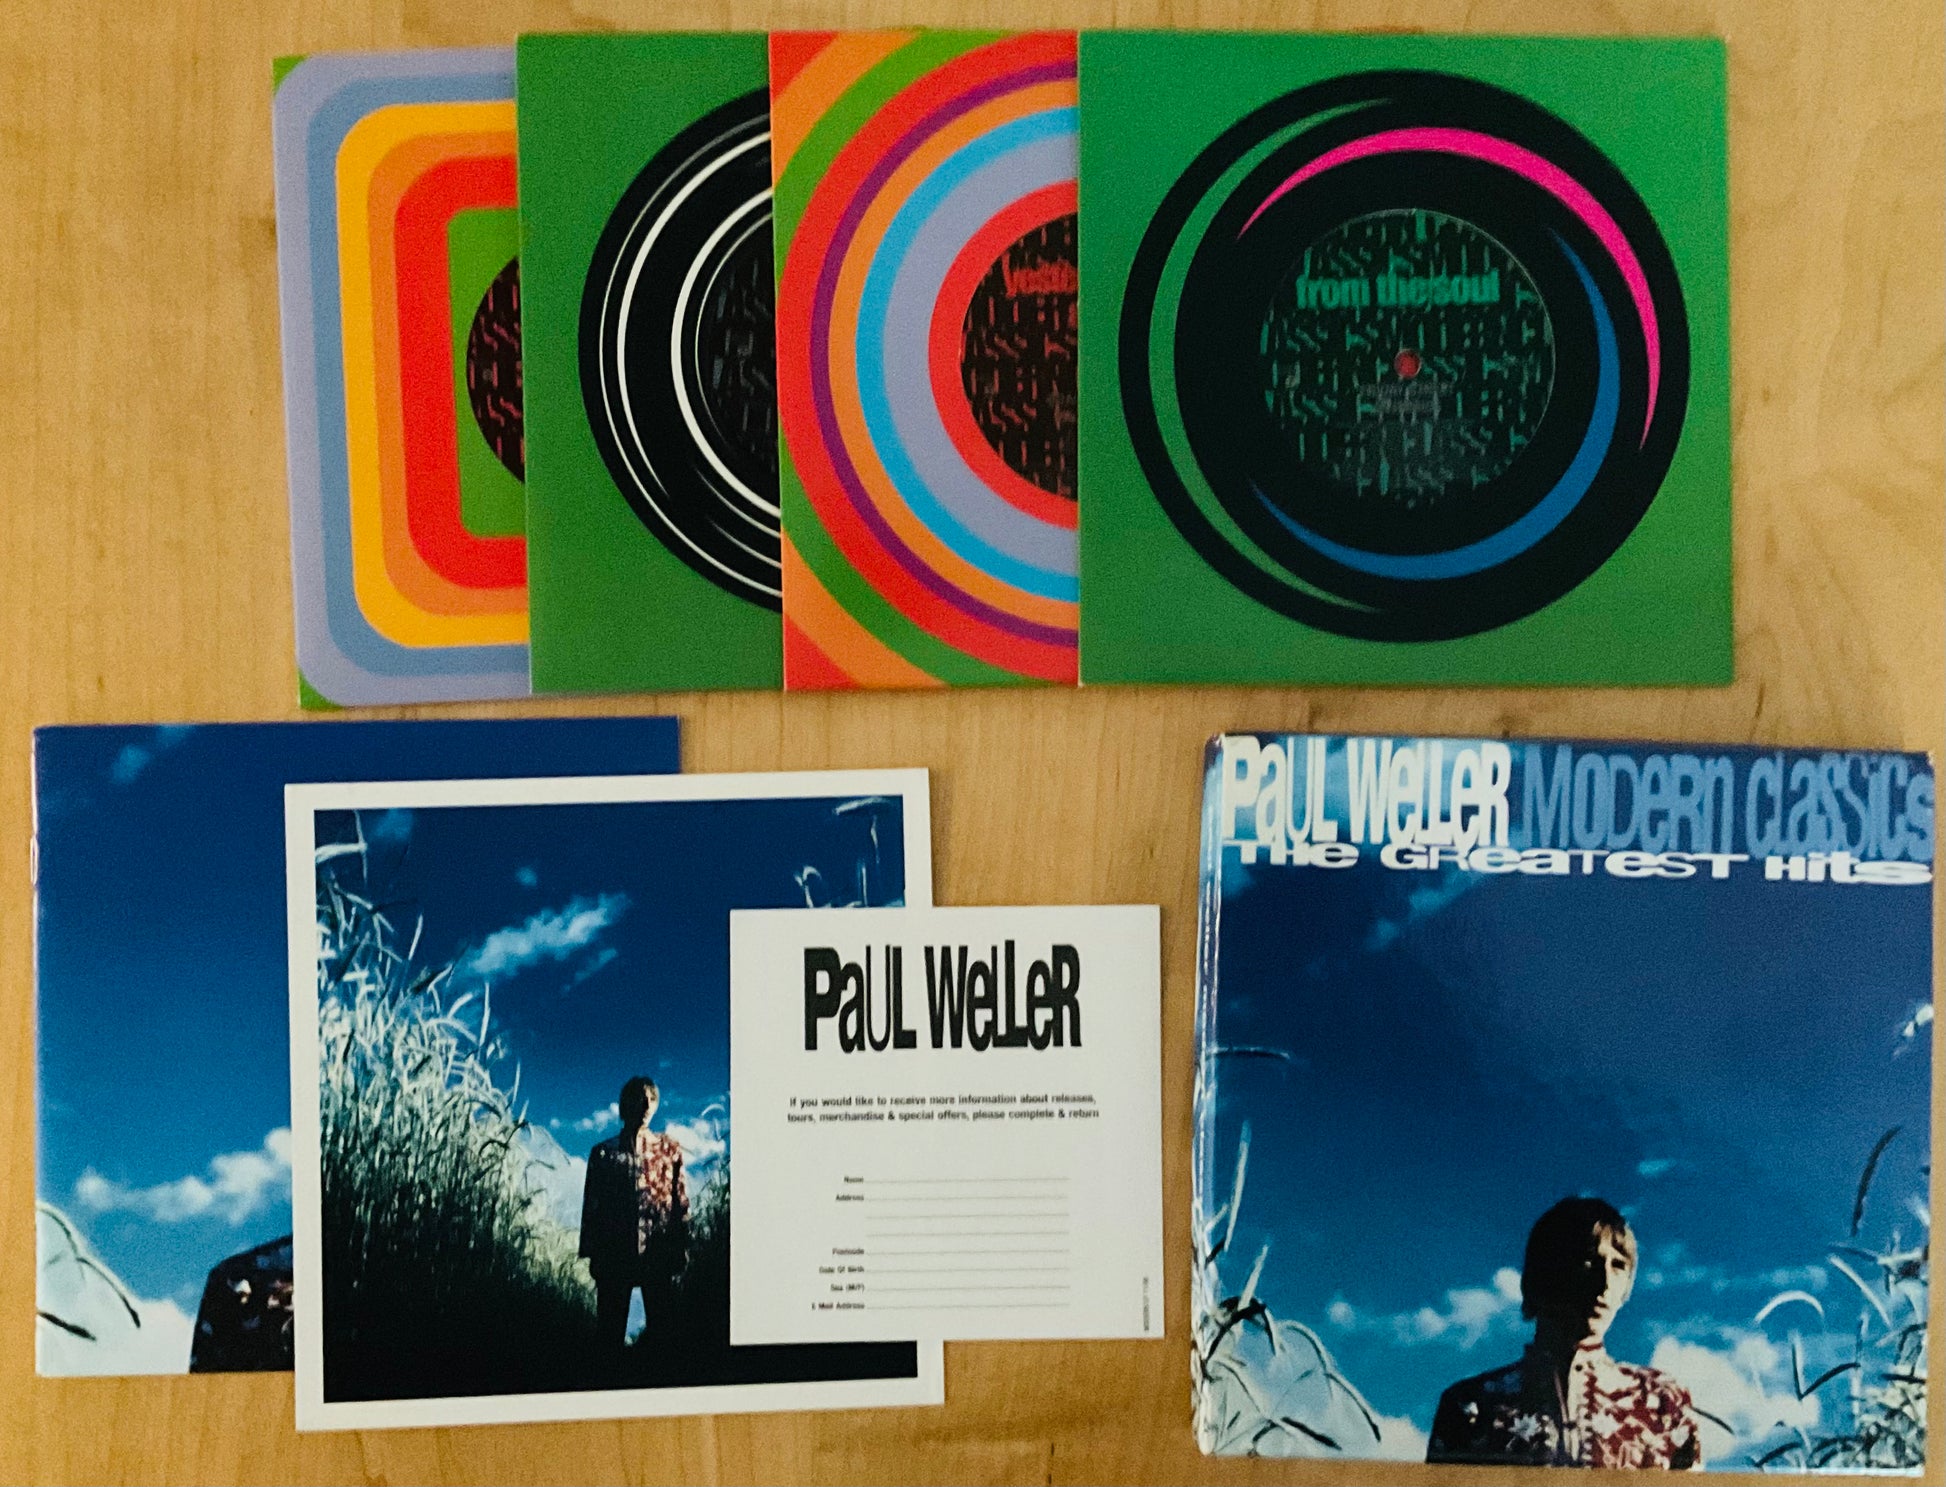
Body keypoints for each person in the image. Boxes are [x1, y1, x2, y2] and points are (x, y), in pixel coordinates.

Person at [1426, 1197, 1703, 1470]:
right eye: (1588, 1260)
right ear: (1545, 1271)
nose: (1604, 1283)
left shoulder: (1662, 1401)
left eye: (1619, 1265)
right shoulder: (1472, 1403)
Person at [579, 1075, 690, 1352]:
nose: (646, 1105)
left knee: (663, 1333)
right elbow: (592, 1206)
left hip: (658, 1250)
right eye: (640, 1098)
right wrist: (592, 1251)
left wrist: (682, 1245)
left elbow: (680, 1200)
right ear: (625, 1104)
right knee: (609, 1333)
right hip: (614, 1253)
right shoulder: (603, 1154)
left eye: (652, 1099)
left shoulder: (669, 1150)